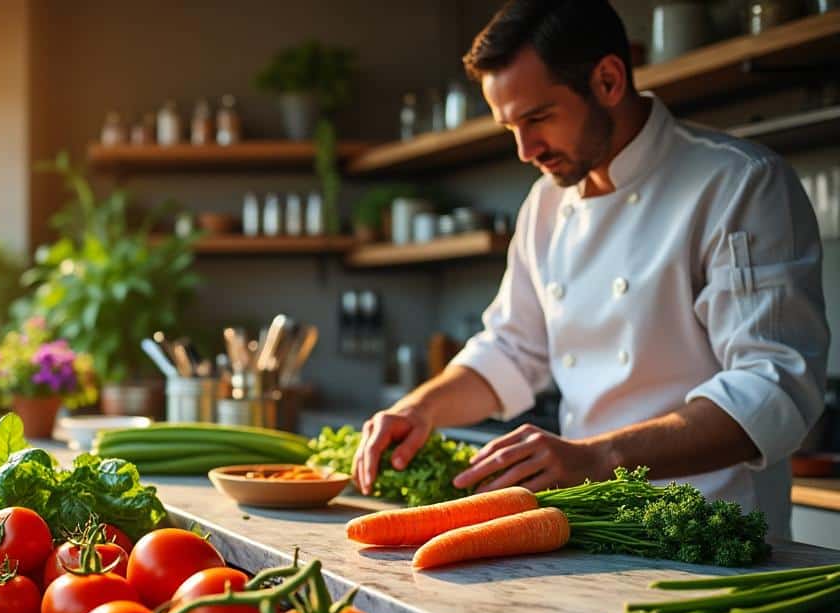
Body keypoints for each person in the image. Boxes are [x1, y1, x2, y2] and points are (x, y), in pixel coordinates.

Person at [353, 0, 827, 537]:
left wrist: (595, 459)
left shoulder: (738, 184)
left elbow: (772, 386)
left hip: (715, 535)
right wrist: (420, 409)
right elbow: (511, 349)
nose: (525, 149)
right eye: (510, 127)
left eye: (538, 118)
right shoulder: (545, 206)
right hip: (591, 526)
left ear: (607, 80)